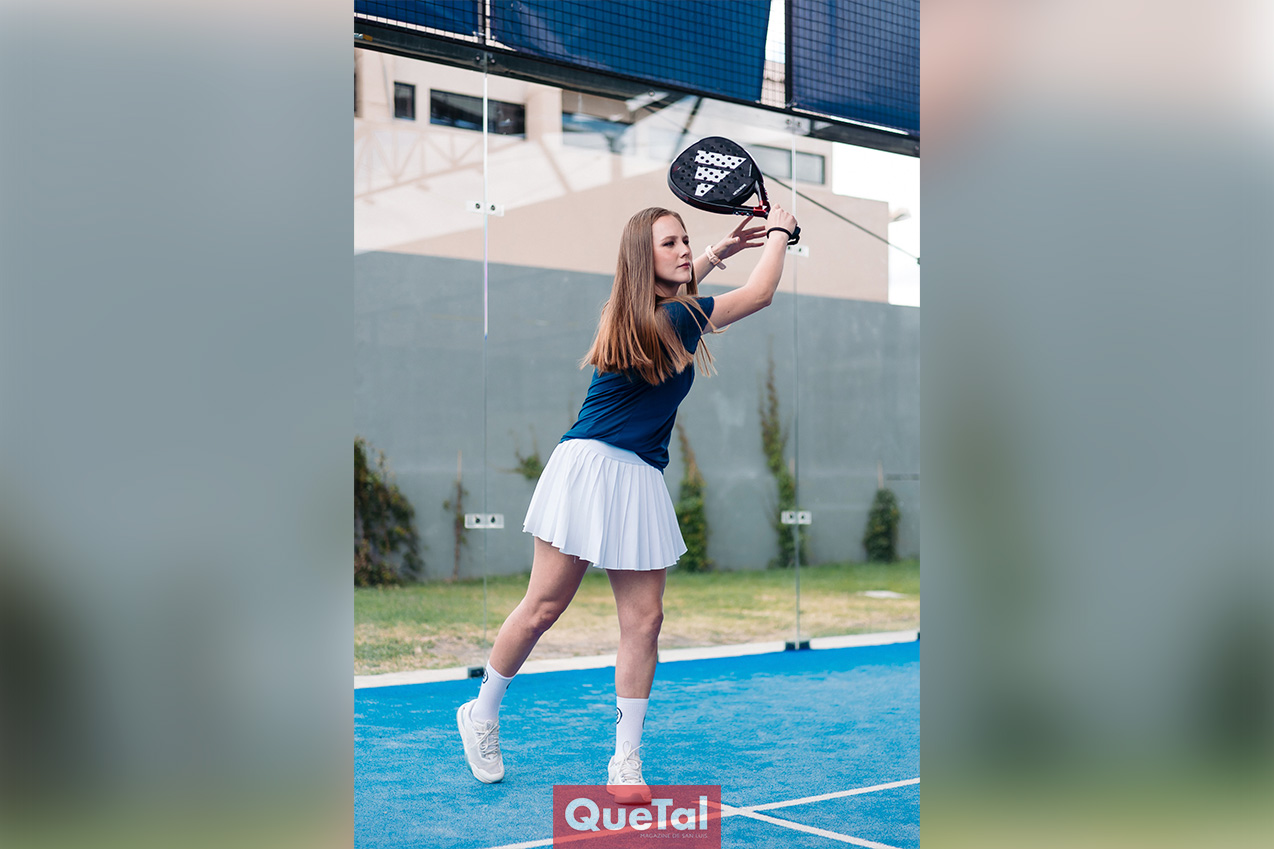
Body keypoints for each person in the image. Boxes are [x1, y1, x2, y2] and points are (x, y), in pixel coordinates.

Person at [457, 203, 800, 803]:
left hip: (639, 475)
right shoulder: (673, 316)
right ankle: (481, 711)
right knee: (542, 608)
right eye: (670, 243)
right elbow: (761, 294)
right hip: (590, 467)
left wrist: (714, 254)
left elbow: (682, 298)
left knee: (645, 622)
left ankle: (625, 762)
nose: (684, 249)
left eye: (686, 239)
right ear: (644, 258)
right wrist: (780, 233)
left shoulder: (645, 311)